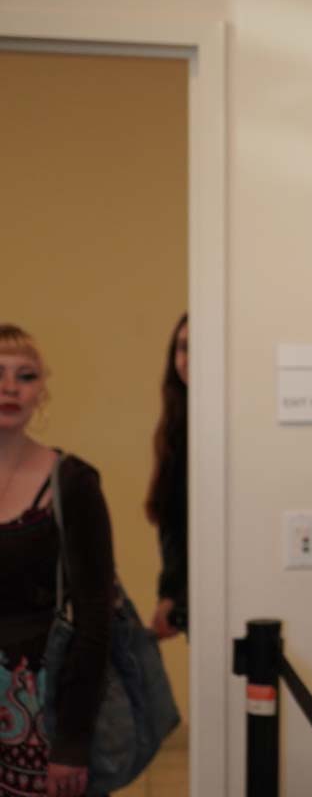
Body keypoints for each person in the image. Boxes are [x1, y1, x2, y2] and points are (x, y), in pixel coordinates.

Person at [0, 324, 115, 797]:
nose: (10, 387)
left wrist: (71, 744)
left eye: (25, 375)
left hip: (40, 712)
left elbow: (94, 617)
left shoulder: (72, 483)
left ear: (41, 391)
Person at [146, 314, 188, 638]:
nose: (188, 360)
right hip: (193, 592)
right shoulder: (175, 429)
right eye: (183, 348)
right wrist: (169, 594)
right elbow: (173, 519)